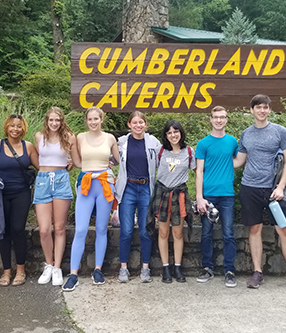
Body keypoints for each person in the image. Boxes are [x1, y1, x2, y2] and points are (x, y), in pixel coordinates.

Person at [236, 94, 286, 290]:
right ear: (251, 110)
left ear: (269, 110)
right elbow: (239, 161)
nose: (262, 110)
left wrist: (281, 187)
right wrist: (211, 165)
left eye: (265, 107)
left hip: (274, 190)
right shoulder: (246, 134)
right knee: (255, 229)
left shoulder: (280, 131)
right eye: (258, 107)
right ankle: (257, 272)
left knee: (283, 229)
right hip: (250, 187)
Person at [62, 107, 120, 292]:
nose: (93, 122)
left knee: (102, 228)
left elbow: (118, 159)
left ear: (102, 119)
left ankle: (98, 270)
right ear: (86, 121)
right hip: (86, 183)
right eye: (90, 119)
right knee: (80, 229)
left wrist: (109, 164)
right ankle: (73, 273)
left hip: (104, 183)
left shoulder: (110, 138)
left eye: (96, 118)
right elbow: (78, 162)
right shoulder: (79, 137)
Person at [0, 114, 39, 287]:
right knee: (4, 230)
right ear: (6, 127)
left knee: (18, 229)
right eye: (12, 126)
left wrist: (64, 164)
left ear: (24, 128)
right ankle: (6, 271)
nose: (15, 129)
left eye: (19, 126)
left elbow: (42, 167)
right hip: (0, 194)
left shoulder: (28, 147)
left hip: (21, 193)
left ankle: (21, 270)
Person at [34, 107, 80, 286]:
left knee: (60, 227)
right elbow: (39, 159)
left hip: (61, 179)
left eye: (57, 120)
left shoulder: (69, 137)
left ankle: (58, 267)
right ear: (47, 120)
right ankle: (49, 264)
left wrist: (101, 162)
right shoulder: (39, 137)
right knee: (44, 229)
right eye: (51, 120)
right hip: (43, 181)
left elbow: (76, 161)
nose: (54, 123)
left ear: (62, 121)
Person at [195, 106, 239, 288]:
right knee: (206, 234)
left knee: (228, 234)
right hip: (208, 195)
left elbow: (238, 160)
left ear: (227, 119)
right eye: (216, 117)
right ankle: (207, 268)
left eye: (222, 117)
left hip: (227, 194)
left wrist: (227, 170)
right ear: (211, 119)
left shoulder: (233, 142)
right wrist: (199, 197)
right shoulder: (203, 144)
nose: (219, 120)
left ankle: (229, 271)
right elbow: (199, 171)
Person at [115, 111, 161, 283]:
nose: (138, 125)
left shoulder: (153, 142)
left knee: (145, 231)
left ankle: (145, 268)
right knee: (126, 231)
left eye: (141, 122)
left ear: (145, 124)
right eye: (134, 122)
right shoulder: (122, 142)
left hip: (146, 189)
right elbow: (110, 158)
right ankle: (123, 268)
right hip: (128, 188)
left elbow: (161, 161)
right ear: (129, 124)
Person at [149, 120, 195, 283]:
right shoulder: (160, 151)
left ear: (181, 133)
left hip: (179, 194)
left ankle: (177, 266)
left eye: (176, 131)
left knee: (177, 232)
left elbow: (199, 171)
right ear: (165, 135)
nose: (173, 135)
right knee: (163, 232)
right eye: (169, 132)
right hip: (162, 194)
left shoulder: (189, 152)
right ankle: (165, 267)